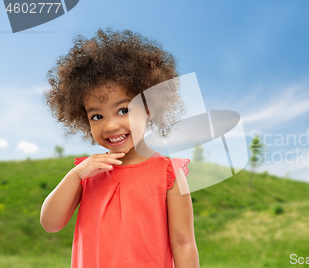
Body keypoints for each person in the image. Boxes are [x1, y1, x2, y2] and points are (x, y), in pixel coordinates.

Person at [40, 28, 199, 268]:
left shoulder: (168, 173)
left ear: (148, 107)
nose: (111, 125)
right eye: (96, 116)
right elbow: (50, 224)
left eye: (123, 110)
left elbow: (183, 242)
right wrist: (75, 175)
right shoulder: (87, 173)